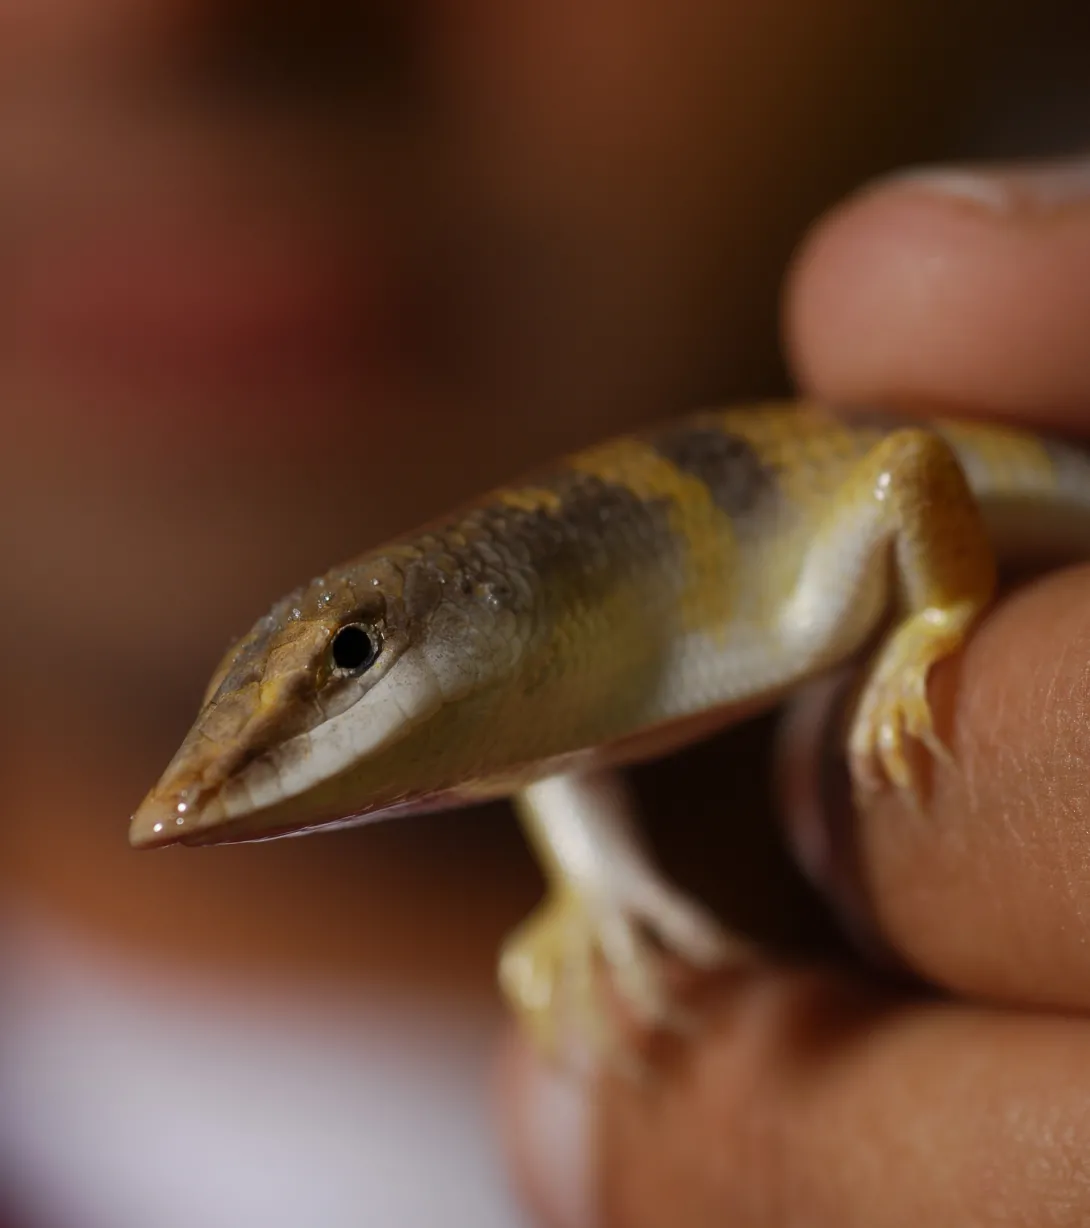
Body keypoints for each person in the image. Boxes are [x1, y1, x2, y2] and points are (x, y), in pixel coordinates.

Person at [2, 1, 1088, 1224]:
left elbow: (902, 477)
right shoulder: (578, 698)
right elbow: (554, 730)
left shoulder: (728, 615)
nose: (146, 25)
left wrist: (940, 620)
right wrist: (589, 885)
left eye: (353, 654)